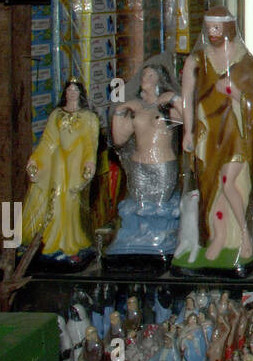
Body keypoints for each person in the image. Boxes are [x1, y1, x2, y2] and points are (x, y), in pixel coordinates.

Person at [178, 7, 253, 271]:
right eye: (209, 28)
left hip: (233, 132)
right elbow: (187, 100)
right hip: (208, 133)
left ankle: (245, 236)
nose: (213, 33)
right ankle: (219, 237)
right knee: (210, 189)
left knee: (229, 183)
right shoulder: (196, 60)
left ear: (227, 28)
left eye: (218, 28)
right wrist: (187, 131)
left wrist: (234, 92)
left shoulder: (243, 59)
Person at [108, 62, 183, 263]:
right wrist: (118, 112)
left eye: (151, 76)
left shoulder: (166, 107)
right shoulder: (136, 107)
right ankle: (137, 240)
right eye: (144, 75)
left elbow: (189, 118)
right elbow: (119, 139)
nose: (145, 79)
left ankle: (160, 239)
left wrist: (175, 99)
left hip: (162, 165)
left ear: (159, 80)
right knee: (139, 208)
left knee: (158, 209)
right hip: (139, 165)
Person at [22, 78, 101, 264]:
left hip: (75, 165)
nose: (72, 93)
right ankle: (50, 241)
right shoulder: (56, 115)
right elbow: (48, 141)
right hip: (57, 165)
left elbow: (91, 144)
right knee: (55, 199)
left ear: (80, 93)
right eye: (69, 90)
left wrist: (89, 163)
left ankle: (70, 241)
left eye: (75, 90)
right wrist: (35, 160)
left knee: (71, 203)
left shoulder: (89, 118)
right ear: (65, 93)